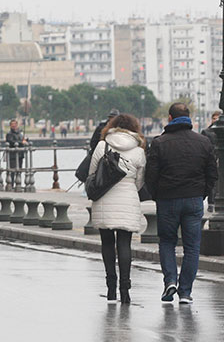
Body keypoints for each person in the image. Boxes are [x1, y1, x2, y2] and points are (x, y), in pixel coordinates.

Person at [146, 103, 218, 305]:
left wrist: (157, 194)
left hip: (167, 199)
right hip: (194, 199)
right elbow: (213, 174)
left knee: (167, 242)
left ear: (170, 118)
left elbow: (150, 175)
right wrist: (202, 193)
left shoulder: (160, 143)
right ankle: (185, 291)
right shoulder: (203, 142)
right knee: (192, 247)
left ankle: (170, 280)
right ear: (189, 118)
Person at [88, 114, 146, 304]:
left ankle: (111, 288)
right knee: (124, 243)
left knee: (106, 243)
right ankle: (125, 289)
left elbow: (92, 174)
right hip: (128, 197)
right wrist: (129, 188)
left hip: (104, 196)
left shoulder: (102, 145)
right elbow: (140, 180)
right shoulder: (138, 150)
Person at [201, 110, 221, 211]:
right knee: (212, 180)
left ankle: (216, 201)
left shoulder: (223, 131)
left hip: (221, 159)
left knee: (220, 181)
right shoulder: (206, 132)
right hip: (211, 159)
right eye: (214, 118)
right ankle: (211, 202)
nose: (215, 120)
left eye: (217, 118)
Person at [5, 119, 29, 191]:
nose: (14, 126)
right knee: (12, 170)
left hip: (20, 155)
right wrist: (21, 142)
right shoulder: (9, 134)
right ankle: (11, 185)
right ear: (10, 125)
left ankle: (18, 184)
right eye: (12, 124)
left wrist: (26, 140)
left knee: (19, 170)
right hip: (12, 155)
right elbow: (11, 142)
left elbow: (22, 140)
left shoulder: (20, 133)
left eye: (15, 124)